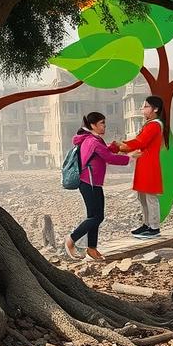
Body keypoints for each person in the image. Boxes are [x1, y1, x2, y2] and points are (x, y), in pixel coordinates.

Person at [64, 111, 130, 261]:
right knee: (97, 216)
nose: (104, 126)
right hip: (89, 182)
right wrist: (129, 159)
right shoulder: (92, 141)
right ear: (93, 125)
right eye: (102, 123)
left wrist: (115, 146)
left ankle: (92, 248)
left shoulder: (92, 139)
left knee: (94, 216)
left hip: (93, 183)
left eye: (104, 123)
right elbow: (108, 157)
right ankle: (71, 239)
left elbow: (104, 151)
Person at [116, 95, 167, 239]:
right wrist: (124, 146)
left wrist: (123, 145)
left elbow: (141, 141)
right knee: (142, 196)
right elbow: (140, 142)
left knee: (150, 196)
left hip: (149, 164)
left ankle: (154, 227)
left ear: (155, 109)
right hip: (144, 162)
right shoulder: (150, 124)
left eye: (145, 106)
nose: (142, 109)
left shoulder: (155, 125)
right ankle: (147, 224)